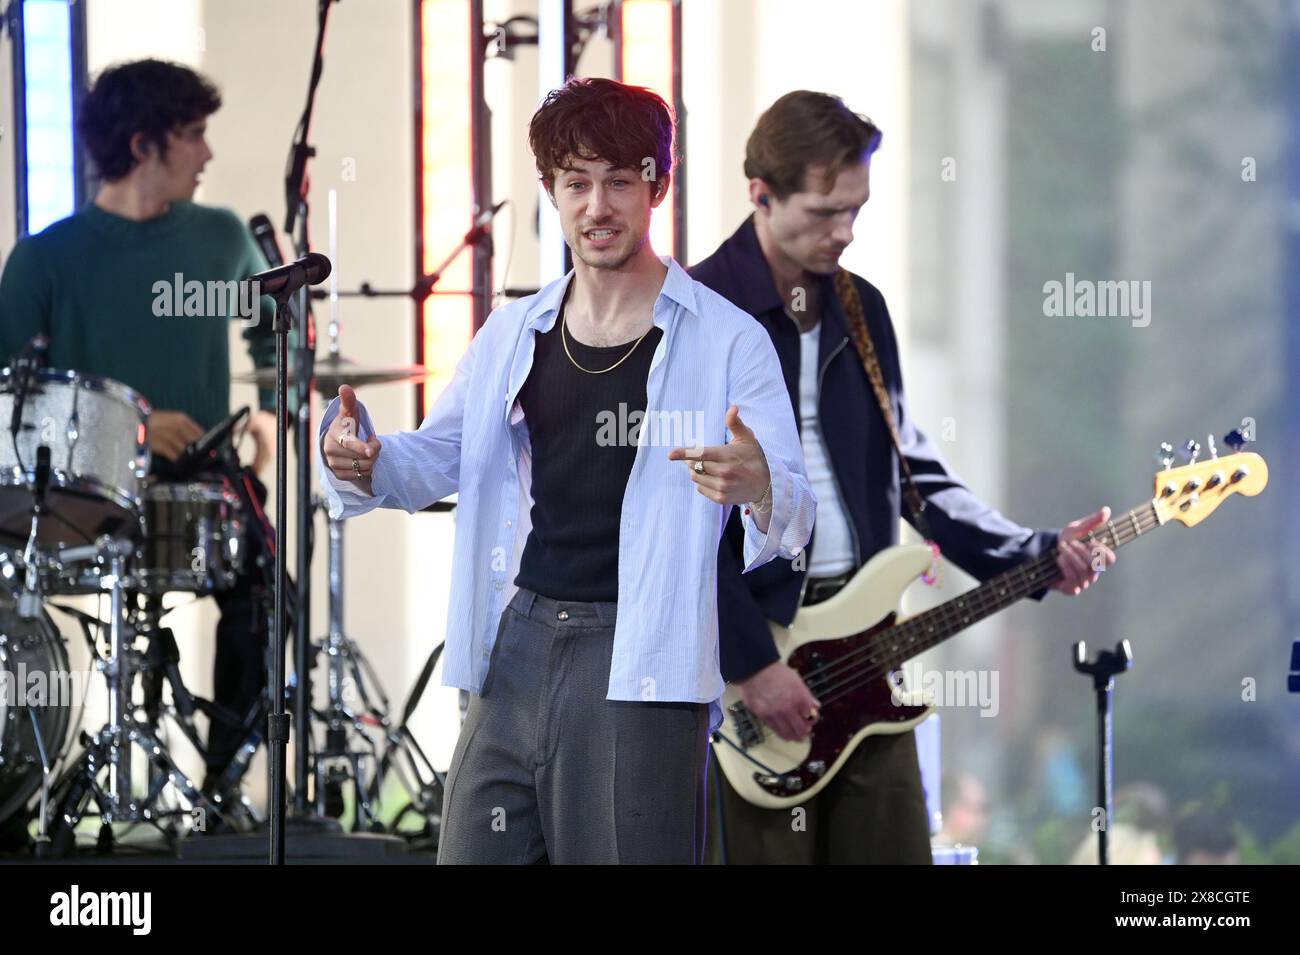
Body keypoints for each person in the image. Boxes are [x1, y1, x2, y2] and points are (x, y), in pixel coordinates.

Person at [318, 77, 814, 864]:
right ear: (550, 190)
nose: (598, 205)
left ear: (657, 185)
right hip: (519, 639)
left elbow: (792, 498)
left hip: (644, 653)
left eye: (621, 180)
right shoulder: (517, 330)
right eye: (576, 183)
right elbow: (438, 455)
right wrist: (365, 458)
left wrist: (759, 484)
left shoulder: (727, 339)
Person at [690, 90, 1116, 865]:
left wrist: (1035, 550)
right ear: (760, 193)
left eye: (856, 210)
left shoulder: (863, 309)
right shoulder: (698, 315)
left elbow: (915, 474)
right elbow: (674, 524)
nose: (844, 232)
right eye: (824, 212)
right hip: (753, 664)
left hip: (867, 653)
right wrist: (749, 664)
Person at [0, 58, 278, 796]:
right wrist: (135, 431)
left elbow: (274, 334)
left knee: (271, 593)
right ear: (142, 146)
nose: (208, 154)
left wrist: (272, 415)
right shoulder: (43, 260)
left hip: (202, 481)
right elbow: (9, 406)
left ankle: (222, 785)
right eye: (192, 136)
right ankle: (23, 783)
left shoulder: (220, 239)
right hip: (73, 494)